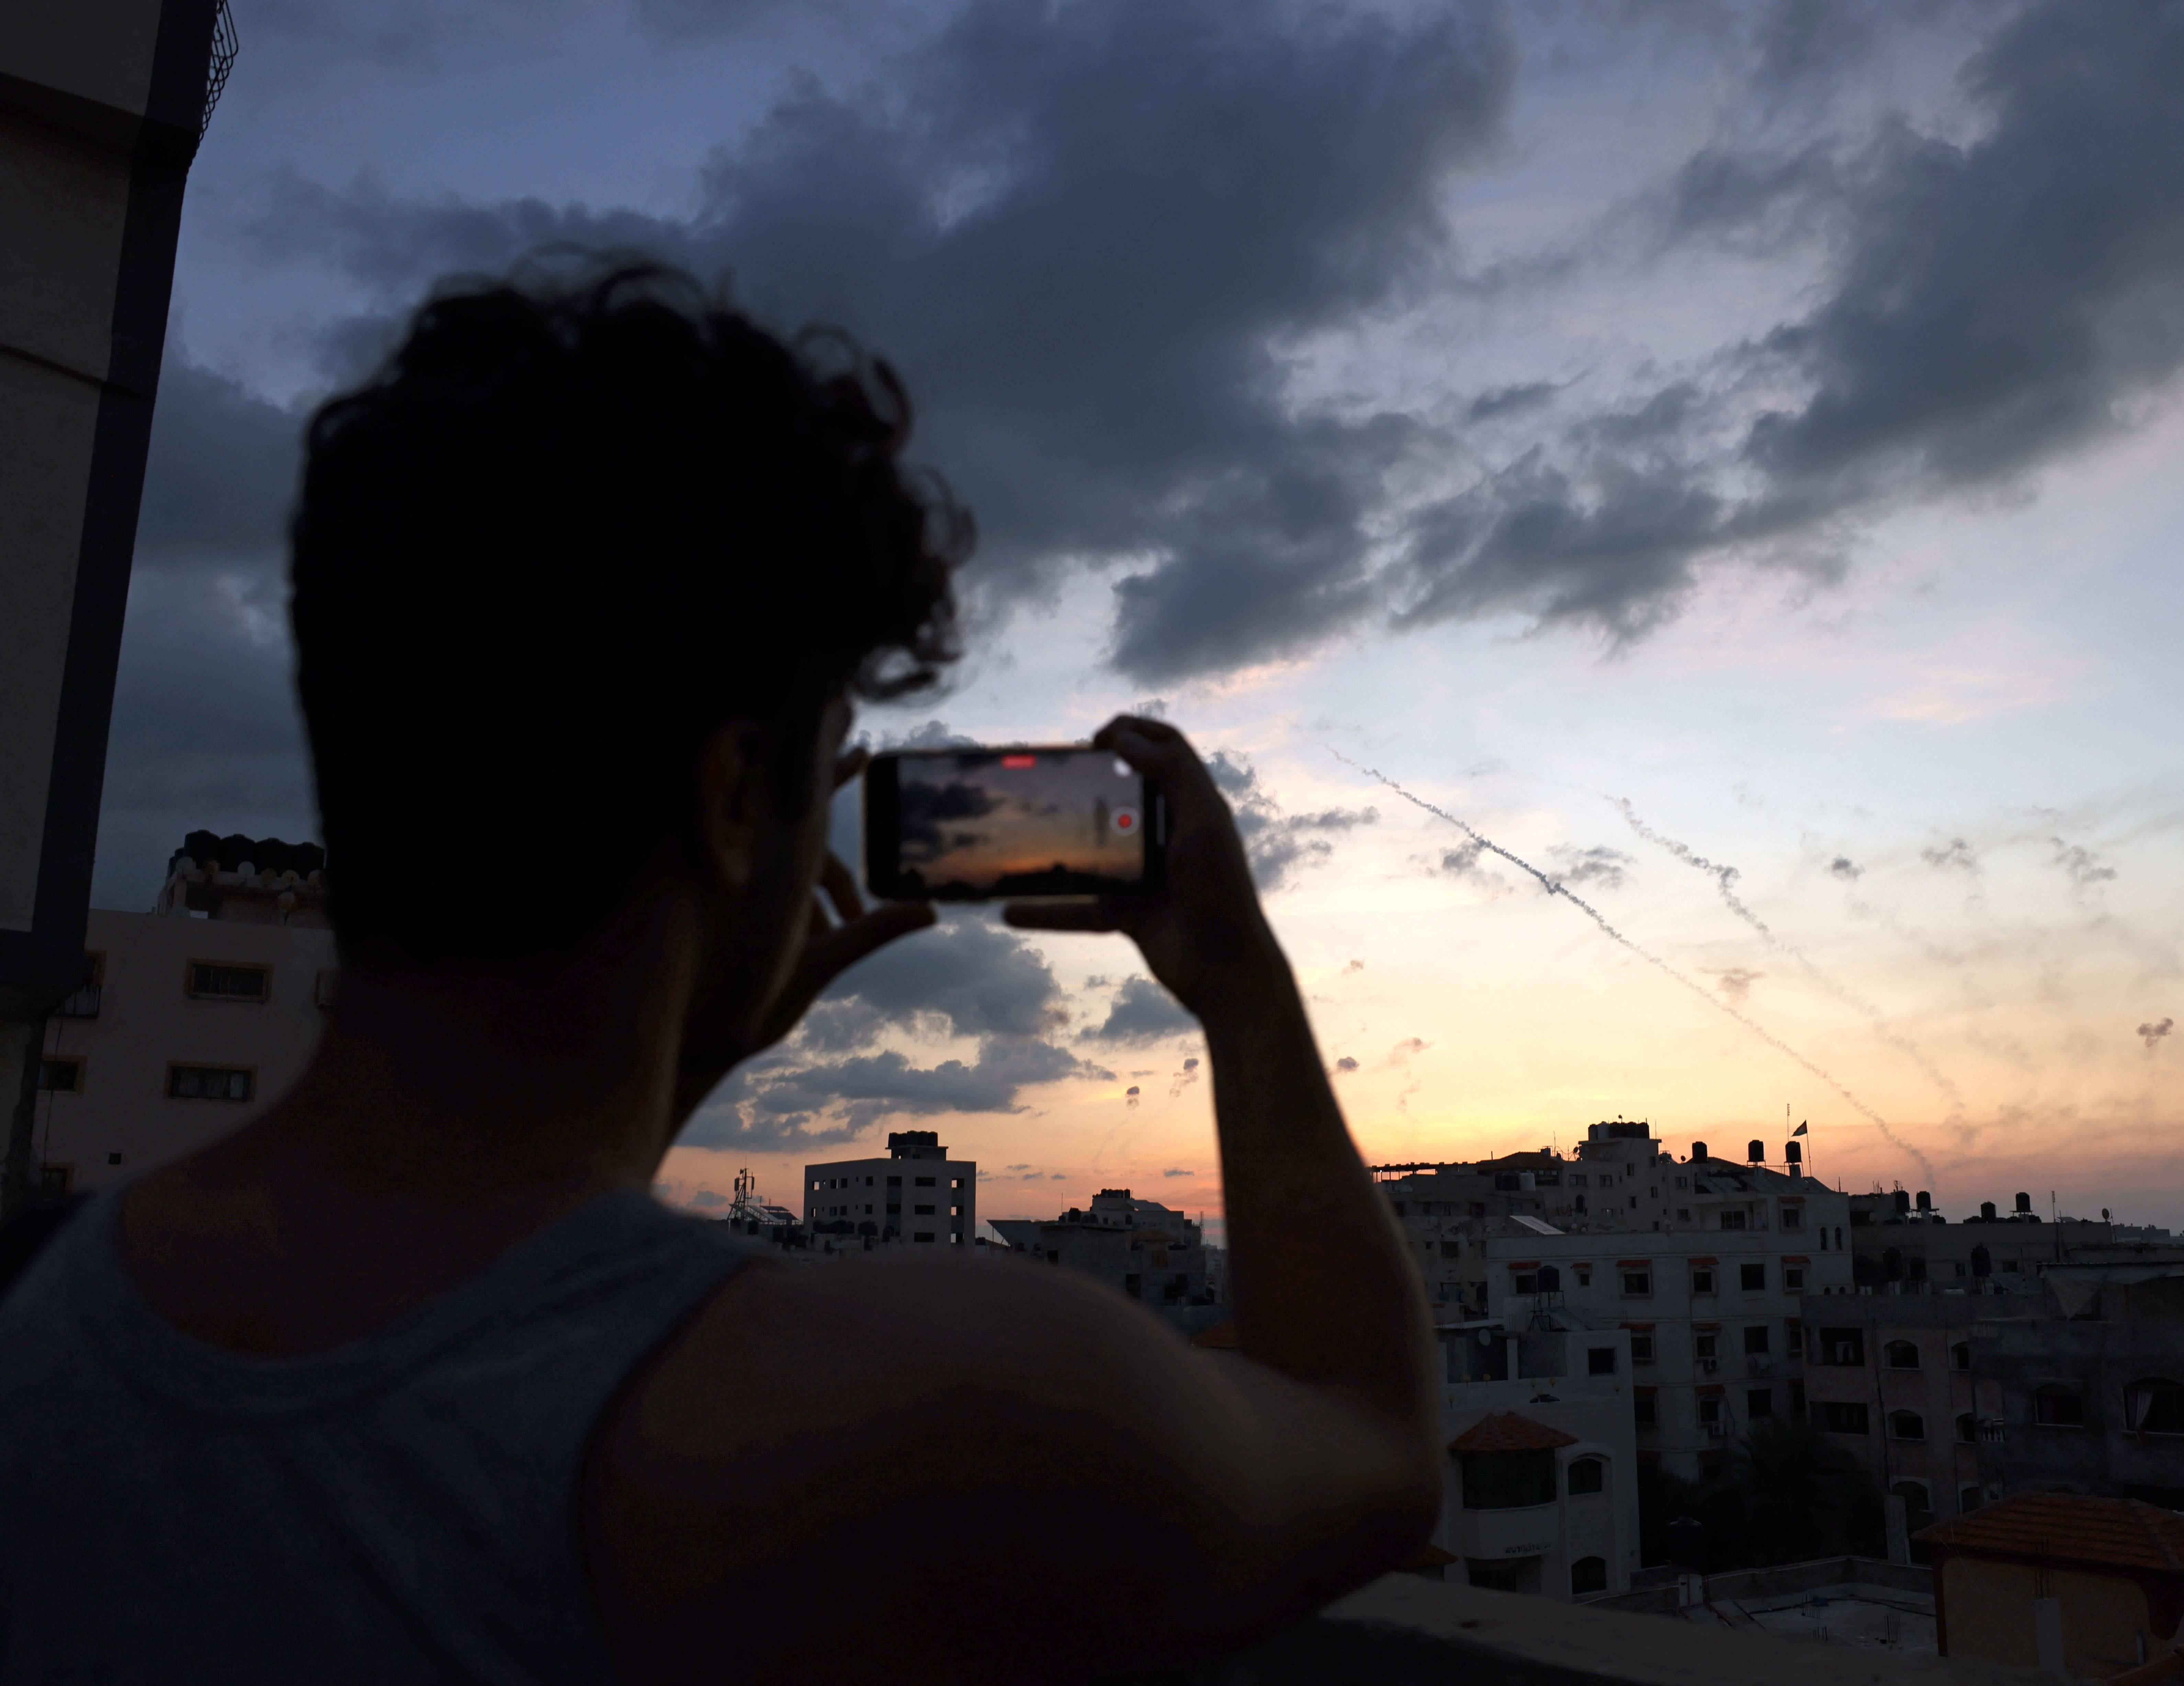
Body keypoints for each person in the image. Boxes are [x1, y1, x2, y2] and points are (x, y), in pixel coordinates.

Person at [0, 261, 1439, 1682]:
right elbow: (1367, 1433)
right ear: (733, 797)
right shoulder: (925, 1408)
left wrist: (676, 1050)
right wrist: (1242, 985)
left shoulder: (54, 1327)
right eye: (824, 773)